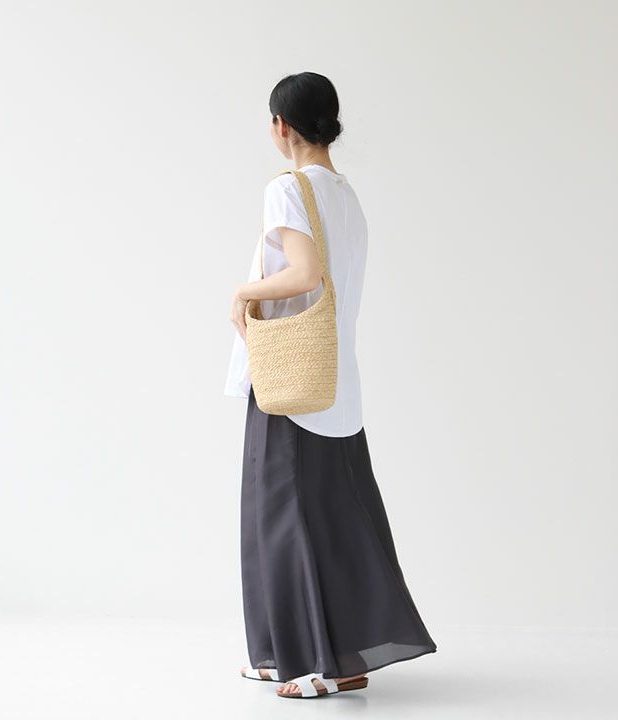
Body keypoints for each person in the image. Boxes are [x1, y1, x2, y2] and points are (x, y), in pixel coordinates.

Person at [224, 71, 437, 700]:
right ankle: (285, 654)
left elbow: (305, 274)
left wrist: (242, 291)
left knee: (281, 520)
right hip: (335, 379)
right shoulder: (345, 195)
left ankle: (313, 663)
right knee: (330, 519)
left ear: (280, 126)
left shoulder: (287, 189)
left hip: (291, 379)